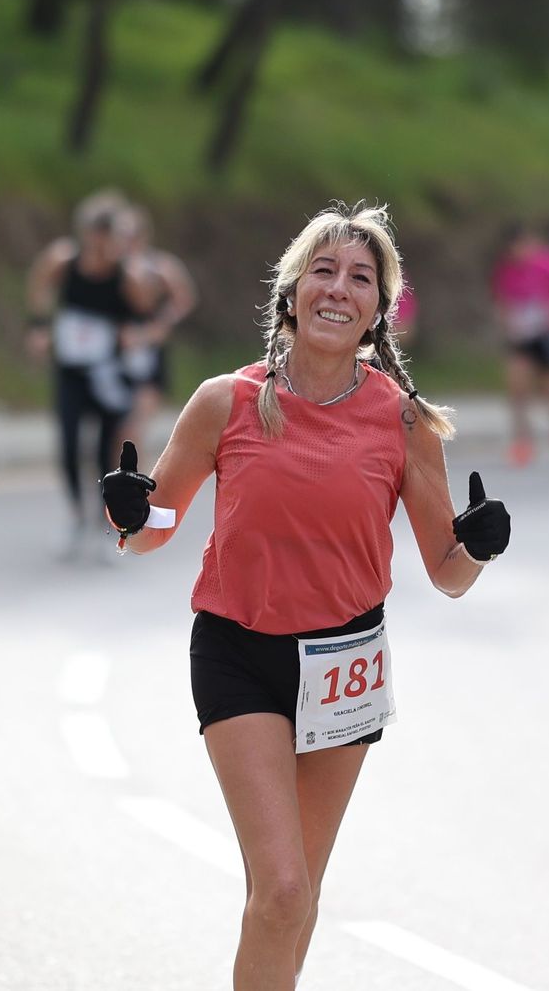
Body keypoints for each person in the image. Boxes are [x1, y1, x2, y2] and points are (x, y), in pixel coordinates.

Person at [100, 203, 511, 991]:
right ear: (291, 292)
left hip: (343, 664)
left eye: (360, 278)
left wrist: (480, 548)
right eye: (323, 271)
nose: (338, 288)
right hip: (238, 652)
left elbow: (447, 573)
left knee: (298, 897)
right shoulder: (226, 400)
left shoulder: (404, 422)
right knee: (282, 889)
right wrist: (127, 512)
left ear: (379, 309)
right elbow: (152, 528)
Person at [25, 192, 144, 559]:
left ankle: (107, 526)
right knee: (69, 443)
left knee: (106, 452)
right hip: (71, 370)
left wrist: (132, 333)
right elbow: (39, 286)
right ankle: (78, 516)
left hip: (108, 374)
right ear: (88, 234)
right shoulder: (63, 261)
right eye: (98, 235)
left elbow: (144, 315)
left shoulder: (127, 277)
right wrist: (39, 326)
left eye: (111, 237)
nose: (104, 246)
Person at [491, 223, 549, 467]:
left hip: (548, 334)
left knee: (548, 386)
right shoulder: (506, 270)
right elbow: (503, 301)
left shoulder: (548, 263)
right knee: (516, 386)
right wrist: (508, 324)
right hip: (523, 336)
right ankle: (522, 440)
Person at [119, 205, 198, 461]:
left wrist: (160, 325)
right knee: (116, 426)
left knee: (134, 424)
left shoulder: (159, 266)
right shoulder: (112, 268)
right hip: (118, 349)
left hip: (148, 349)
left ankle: (130, 474)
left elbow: (184, 297)